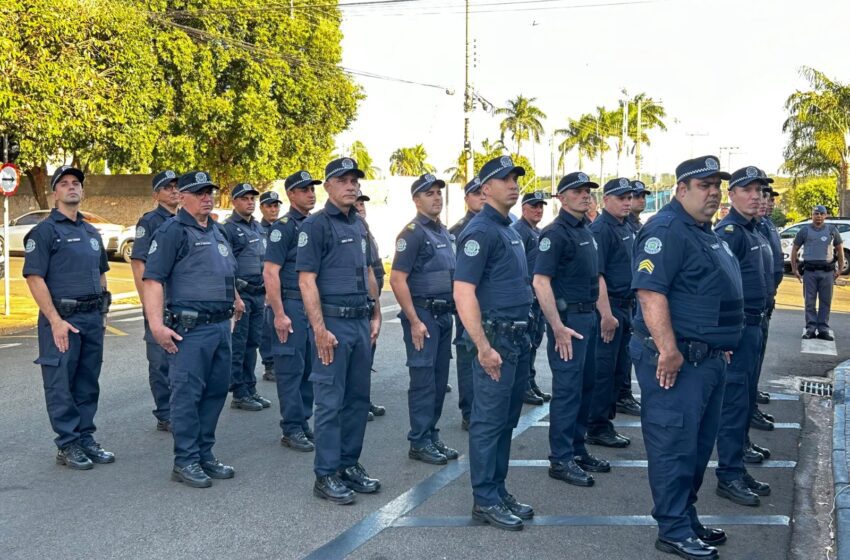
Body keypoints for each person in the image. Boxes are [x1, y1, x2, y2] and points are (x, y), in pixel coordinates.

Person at [631, 155, 743, 559]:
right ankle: (673, 528)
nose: (713, 192)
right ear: (681, 189)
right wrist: (668, 349)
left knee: (696, 447)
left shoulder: (702, 230)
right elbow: (649, 292)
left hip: (708, 360)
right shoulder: (666, 230)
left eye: (717, 185)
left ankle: (686, 517)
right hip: (679, 362)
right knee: (673, 445)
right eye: (703, 185)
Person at [143, 170, 244, 488]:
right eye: (199, 192)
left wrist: (236, 300)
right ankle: (185, 460)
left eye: (210, 191)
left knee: (215, 393)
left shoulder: (218, 231)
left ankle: (204, 453)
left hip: (219, 328)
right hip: (189, 330)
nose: (207, 197)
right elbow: (153, 280)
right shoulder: (172, 231)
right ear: (182, 196)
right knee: (187, 396)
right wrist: (156, 325)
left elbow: (225, 271)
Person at [454, 156, 535, 531]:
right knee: (488, 422)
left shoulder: (510, 229)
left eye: (515, 178)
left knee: (505, 421)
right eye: (504, 179)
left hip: (516, 337)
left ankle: (497, 490)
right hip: (496, 338)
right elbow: (464, 292)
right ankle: (484, 499)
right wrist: (483, 346)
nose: (513, 184)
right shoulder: (480, 231)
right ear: (485, 189)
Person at [297, 157, 382, 505]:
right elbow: (306, 279)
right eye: (343, 180)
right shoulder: (315, 227)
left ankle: (349, 464)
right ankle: (326, 474)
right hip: (332, 325)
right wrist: (319, 328)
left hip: (360, 322)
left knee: (357, 400)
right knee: (330, 402)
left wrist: (376, 313)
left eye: (354, 181)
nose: (351, 186)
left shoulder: (359, 226)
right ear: (328, 186)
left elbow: (368, 272)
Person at [23, 165, 114, 470]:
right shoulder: (44, 232)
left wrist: (103, 313)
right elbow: (35, 278)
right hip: (62, 319)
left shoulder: (90, 232)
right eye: (64, 184)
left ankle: (86, 438)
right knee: (61, 382)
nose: (72, 187)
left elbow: (102, 274)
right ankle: (68, 444)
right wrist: (54, 320)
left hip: (91, 318)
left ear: (82, 191)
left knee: (88, 382)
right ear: (54, 193)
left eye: (76, 183)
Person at [533, 171, 610, 488]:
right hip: (569, 323)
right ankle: (560, 459)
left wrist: (602, 313)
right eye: (576, 191)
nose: (584, 196)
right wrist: (558, 327)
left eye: (588, 191)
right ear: (561, 198)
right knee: (567, 391)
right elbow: (540, 281)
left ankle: (577, 449)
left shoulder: (587, 231)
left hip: (587, 317)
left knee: (586, 386)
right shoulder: (556, 234)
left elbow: (597, 278)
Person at [713, 166, 773, 509]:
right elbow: (720, 289)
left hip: (756, 325)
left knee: (746, 398)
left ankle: (737, 463)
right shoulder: (731, 232)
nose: (756, 196)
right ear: (732, 194)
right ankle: (729, 475)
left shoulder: (755, 230)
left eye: (760, 191)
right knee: (734, 403)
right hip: (739, 331)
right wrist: (726, 338)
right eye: (748, 190)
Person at [390, 173, 459, 465]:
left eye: (438, 193)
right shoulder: (412, 233)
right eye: (429, 193)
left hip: (444, 316)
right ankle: (419, 440)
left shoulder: (444, 232)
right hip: (424, 317)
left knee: (439, 379)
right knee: (423, 380)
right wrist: (414, 320)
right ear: (416, 200)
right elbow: (396, 279)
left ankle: (431, 435)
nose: (436, 198)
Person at [263, 171, 319, 452]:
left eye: (312, 188)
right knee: (290, 368)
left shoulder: (315, 224)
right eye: (304, 189)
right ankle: (292, 427)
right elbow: (271, 273)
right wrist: (279, 314)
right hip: (291, 304)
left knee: (310, 367)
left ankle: (303, 420)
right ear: (291, 195)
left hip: (311, 305)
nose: (311, 193)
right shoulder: (282, 227)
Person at [586, 178, 636, 449]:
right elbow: (598, 276)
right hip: (610, 307)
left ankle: (606, 421)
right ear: (606, 200)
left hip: (626, 306)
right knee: (604, 370)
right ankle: (596, 426)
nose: (627, 202)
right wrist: (606, 314)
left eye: (629, 197)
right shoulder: (601, 229)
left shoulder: (625, 226)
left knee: (619, 369)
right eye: (621, 197)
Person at [130, 170, 180, 432]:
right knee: (160, 360)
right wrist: (149, 305)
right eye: (168, 187)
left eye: (176, 186)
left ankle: (179, 407)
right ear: (156, 194)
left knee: (180, 358)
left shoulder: (186, 220)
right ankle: (165, 412)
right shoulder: (149, 222)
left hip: (181, 301)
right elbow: (139, 263)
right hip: (158, 300)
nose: (174, 190)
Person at [223, 183, 272, 412]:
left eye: (253, 198)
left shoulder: (258, 228)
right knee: (239, 345)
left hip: (258, 293)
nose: (250, 202)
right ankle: (239, 392)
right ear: (234, 202)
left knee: (253, 343)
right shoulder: (229, 229)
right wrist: (235, 297)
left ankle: (250, 388)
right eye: (245, 198)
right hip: (241, 294)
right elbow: (226, 265)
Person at [449, 177, 486, 430]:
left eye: (483, 192)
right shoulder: (458, 231)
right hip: (469, 303)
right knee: (468, 355)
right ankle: (469, 410)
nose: (481, 197)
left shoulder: (496, 225)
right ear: (466, 199)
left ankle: (483, 407)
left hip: (491, 304)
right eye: (475, 193)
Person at [511, 192, 552, 406]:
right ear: (524, 208)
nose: (538, 210)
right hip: (527, 296)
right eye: (534, 206)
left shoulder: (536, 231)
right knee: (525, 344)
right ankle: (524, 386)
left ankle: (530, 381)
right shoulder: (519, 231)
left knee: (534, 340)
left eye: (541, 207)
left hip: (537, 297)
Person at [353, 192, 387, 421]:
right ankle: (356, 404)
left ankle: (362, 399)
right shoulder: (352, 229)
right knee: (356, 362)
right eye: (357, 202)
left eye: (363, 201)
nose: (361, 206)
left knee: (366, 358)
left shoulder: (364, 228)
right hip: (355, 303)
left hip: (368, 300)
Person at [791, 204, 844, 340]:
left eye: (821, 214)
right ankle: (810, 328)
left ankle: (823, 328)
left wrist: (841, 267)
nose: (818, 216)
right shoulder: (804, 230)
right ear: (812, 215)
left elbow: (839, 249)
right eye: (816, 214)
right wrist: (794, 268)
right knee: (809, 301)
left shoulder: (832, 230)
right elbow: (795, 249)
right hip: (810, 272)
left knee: (825, 301)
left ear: (825, 216)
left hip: (827, 273)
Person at [259, 190, 282, 382]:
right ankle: (270, 364)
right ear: (262, 208)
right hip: (264, 285)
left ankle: (281, 360)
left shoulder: (283, 228)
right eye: (269, 206)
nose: (273, 209)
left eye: (276, 206)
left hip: (283, 284)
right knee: (267, 327)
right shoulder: (259, 230)